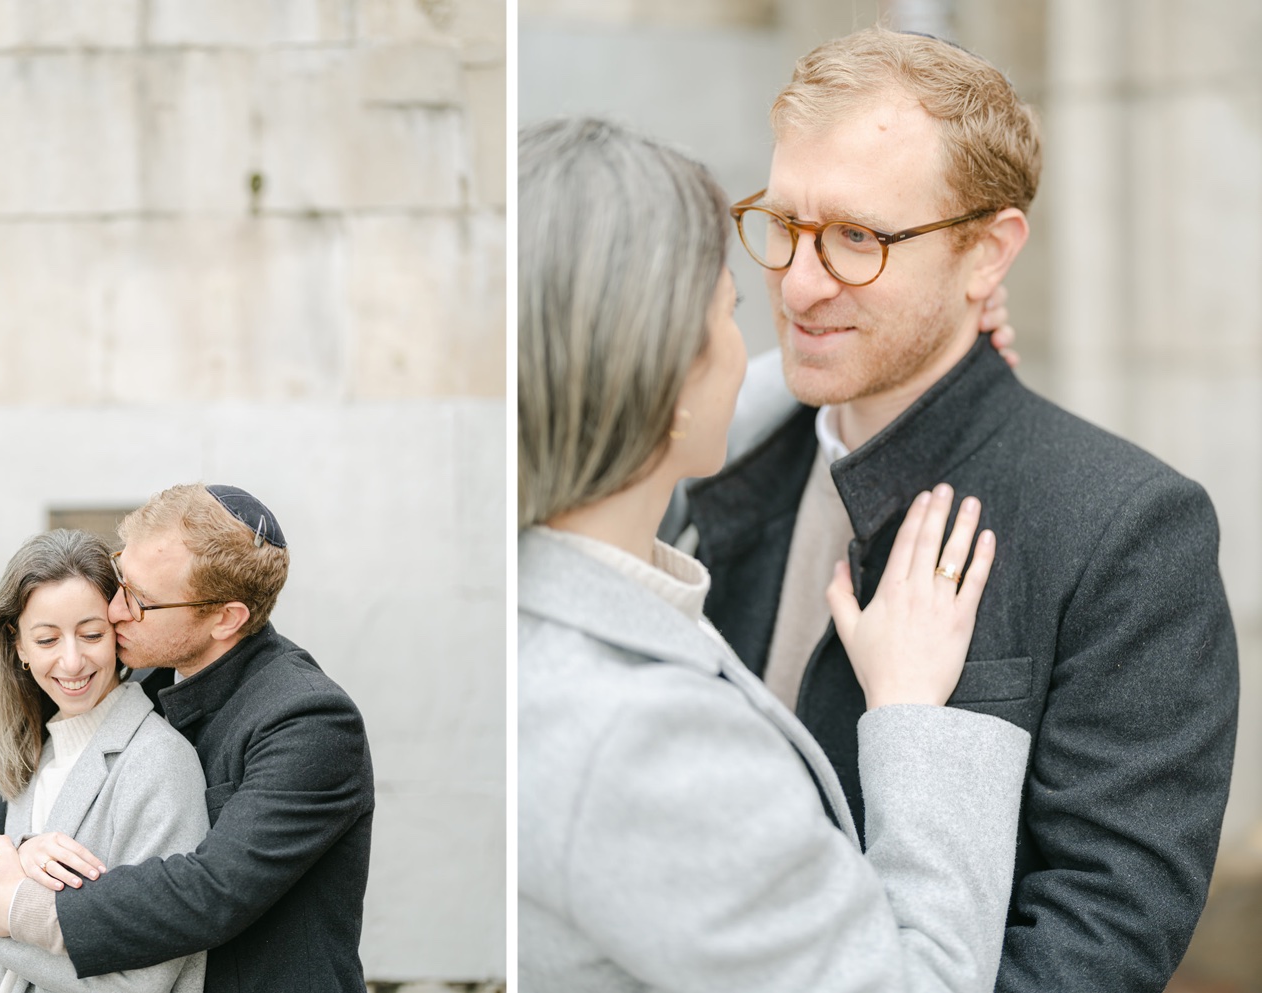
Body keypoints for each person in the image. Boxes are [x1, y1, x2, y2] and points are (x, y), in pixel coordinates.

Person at [666, 27, 1239, 993]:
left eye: (858, 237)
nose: (799, 283)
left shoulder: (1130, 530)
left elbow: (1096, 945)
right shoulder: (726, 458)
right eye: (784, 223)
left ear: (988, 253)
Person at [519, 116, 1032, 992]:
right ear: (662, 377)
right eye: (730, 315)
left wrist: (905, 331)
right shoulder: (645, 743)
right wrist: (909, 715)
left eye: (855, 237)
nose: (793, 296)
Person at [0, 483, 374, 993]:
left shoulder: (309, 721)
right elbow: (68, 769)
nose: (117, 609)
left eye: (142, 601)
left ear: (224, 619)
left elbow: (209, 893)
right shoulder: (154, 672)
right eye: (123, 576)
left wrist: (19, 905)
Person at [0, 528, 208, 993]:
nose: (72, 662)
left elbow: (144, 981)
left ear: (119, 630)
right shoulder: (37, 754)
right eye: (47, 640)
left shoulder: (160, 763)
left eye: (91, 633)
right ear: (17, 646)